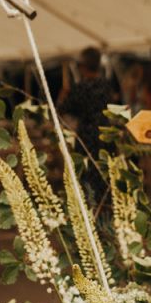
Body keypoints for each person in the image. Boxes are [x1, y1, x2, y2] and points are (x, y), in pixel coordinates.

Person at [58, 46, 113, 200]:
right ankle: (104, 209)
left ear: (83, 66)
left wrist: (62, 97)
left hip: (87, 137)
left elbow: (63, 110)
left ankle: (89, 207)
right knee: (104, 177)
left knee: (86, 177)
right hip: (105, 135)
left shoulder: (81, 88)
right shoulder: (106, 86)